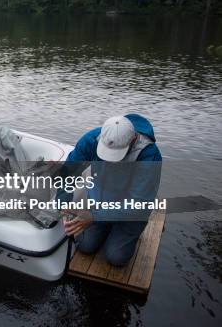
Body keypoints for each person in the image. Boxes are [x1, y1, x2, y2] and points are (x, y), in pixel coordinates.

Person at [56, 114, 162, 266]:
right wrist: (63, 202)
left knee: (116, 257)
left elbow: (138, 204)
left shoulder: (150, 155)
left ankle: (129, 232)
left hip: (131, 210)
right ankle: (106, 226)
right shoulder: (91, 139)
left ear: (132, 140)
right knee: (86, 246)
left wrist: (93, 217)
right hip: (101, 202)